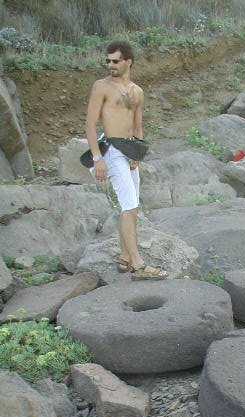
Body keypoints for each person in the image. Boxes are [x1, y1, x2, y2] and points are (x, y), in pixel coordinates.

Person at [86, 40, 166, 278]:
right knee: (129, 206)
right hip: (110, 150)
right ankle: (138, 265)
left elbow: (137, 126)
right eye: (107, 60)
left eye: (115, 60)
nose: (110, 64)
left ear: (128, 61)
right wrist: (97, 158)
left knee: (131, 208)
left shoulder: (137, 91)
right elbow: (90, 124)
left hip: (130, 151)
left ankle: (124, 257)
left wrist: (137, 155)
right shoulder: (101, 87)